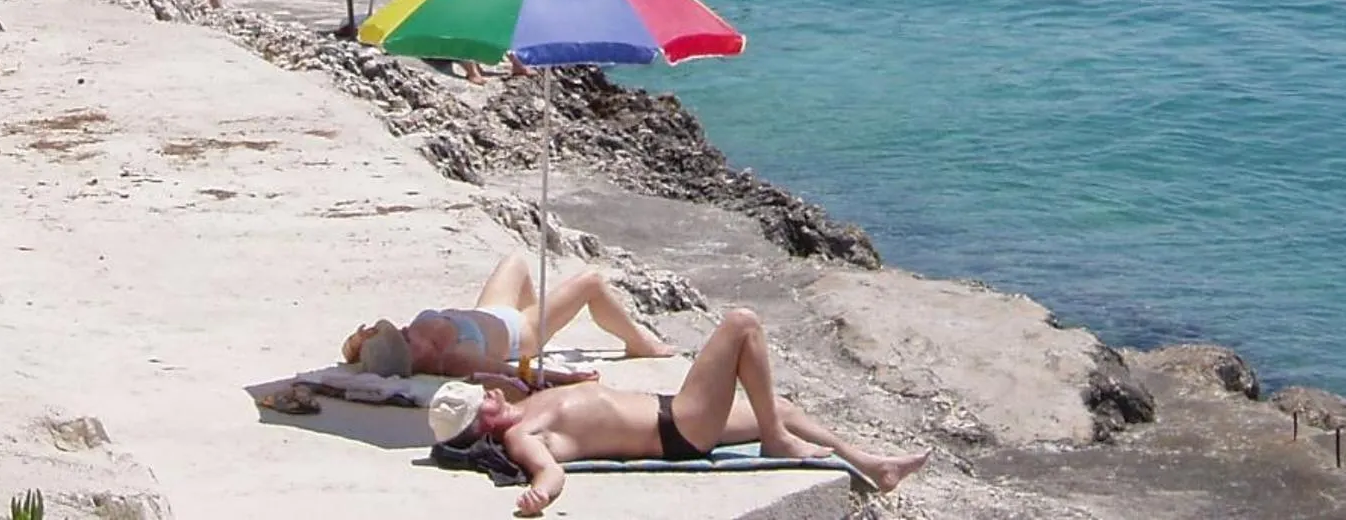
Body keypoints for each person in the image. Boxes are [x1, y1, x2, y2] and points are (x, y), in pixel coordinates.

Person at [428, 307, 928, 514]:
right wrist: (539, 495)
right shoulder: (521, 437)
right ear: (482, 422)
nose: (491, 393)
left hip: (675, 413)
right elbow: (550, 472)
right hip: (678, 428)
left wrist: (517, 380)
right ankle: (775, 440)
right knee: (742, 324)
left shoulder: (520, 405)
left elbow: (506, 382)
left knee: (779, 406)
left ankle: (872, 465)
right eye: (483, 399)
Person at [344, 254, 674, 381]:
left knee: (515, 261)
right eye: (403, 337)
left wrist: (359, 341)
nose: (403, 328)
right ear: (415, 357)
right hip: (523, 332)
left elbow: (349, 354)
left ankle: (544, 312)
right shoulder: (455, 358)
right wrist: (566, 379)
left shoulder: (417, 337)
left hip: (490, 312)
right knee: (591, 283)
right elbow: (512, 373)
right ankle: (639, 343)